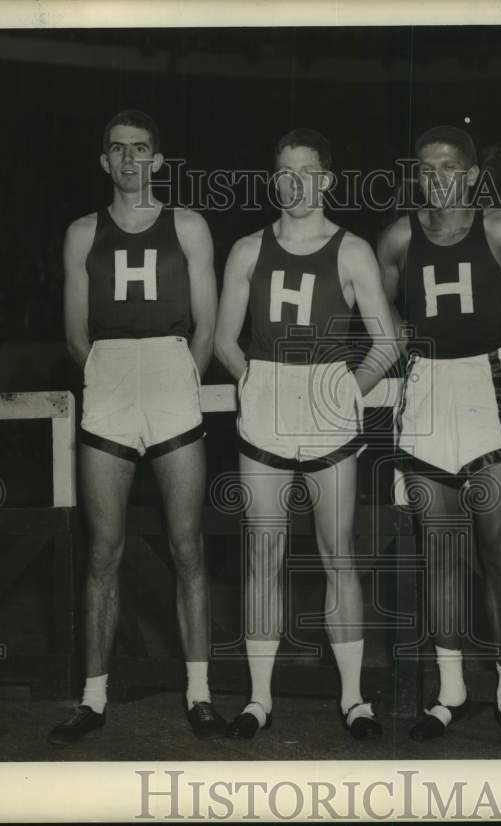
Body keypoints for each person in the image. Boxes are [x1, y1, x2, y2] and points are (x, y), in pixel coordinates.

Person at [214, 128, 398, 740]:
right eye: (284, 171)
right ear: (275, 180)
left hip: (328, 408)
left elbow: (388, 343)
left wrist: (348, 388)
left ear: (326, 179)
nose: (295, 182)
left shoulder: (351, 251)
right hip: (266, 403)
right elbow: (221, 340)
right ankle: (258, 699)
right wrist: (255, 383)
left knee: (336, 554)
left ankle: (354, 698)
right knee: (263, 552)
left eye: (307, 171)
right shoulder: (246, 249)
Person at [49, 110, 223, 745]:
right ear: (105, 162)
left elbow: (205, 325)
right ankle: (93, 697)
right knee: (103, 551)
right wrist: (111, 375)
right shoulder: (80, 233)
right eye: (117, 150)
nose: (129, 160)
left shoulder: (190, 226)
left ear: (157, 160)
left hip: (172, 372)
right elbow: (74, 335)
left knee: (188, 548)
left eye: (140, 150)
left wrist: (183, 377)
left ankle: (199, 693)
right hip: (112, 376)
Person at [377, 126, 501, 744]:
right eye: (425, 167)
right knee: (439, 550)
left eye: (448, 166)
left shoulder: (500, 229)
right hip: (425, 392)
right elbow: (375, 307)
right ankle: (451, 691)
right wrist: (401, 349)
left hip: (486, 385)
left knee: (496, 547)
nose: (437, 176)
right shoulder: (395, 237)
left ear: (470, 172)